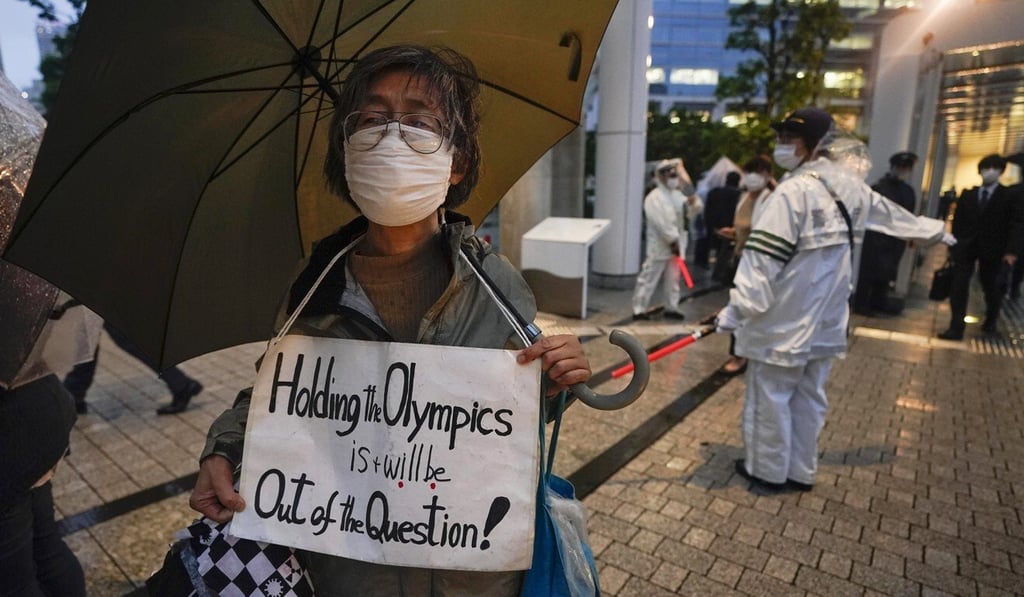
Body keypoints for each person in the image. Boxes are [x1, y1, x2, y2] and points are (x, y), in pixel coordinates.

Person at [188, 45, 592, 596]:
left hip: (472, 579)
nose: (392, 137)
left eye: (421, 122)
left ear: (458, 163)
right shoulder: (314, 286)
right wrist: (225, 447)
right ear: (346, 152)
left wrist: (554, 382)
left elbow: (507, 422)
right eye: (372, 120)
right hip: (350, 572)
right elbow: (277, 396)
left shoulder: (496, 284)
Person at [715, 107, 952, 492]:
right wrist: (936, 231)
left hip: (782, 323)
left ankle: (767, 470)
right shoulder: (853, 189)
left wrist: (736, 310)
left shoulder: (792, 193)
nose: (781, 146)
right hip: (826, 323)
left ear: (813, 144)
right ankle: (801, 471)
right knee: (810, 399)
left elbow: (761, 264)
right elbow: (896, 218)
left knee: (771, 398)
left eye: (788, 138)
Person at [938, 154, 1024, 339]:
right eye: (986, 167)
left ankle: (991, 321)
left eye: (994, 168)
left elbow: (1016, 224)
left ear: (1001, 172)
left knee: (991, 287)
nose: (989, 172)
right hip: (966, 248)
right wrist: (953, 244)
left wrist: (1011, 251)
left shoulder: (1008, 196)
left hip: (994, 250)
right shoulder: (968, 195)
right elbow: (958, 222)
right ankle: (956, 326)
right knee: (959, 286)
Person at [63, 322, 203, 415]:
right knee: (88, 340)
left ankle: (181, 384)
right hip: (96, 288)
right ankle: (74, 393)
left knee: (123, 339)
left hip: (97, 288)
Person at [716, 155, 774, 376]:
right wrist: (733, 232)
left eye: (758, 172)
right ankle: (740, 352)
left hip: (760, 264)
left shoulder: (771, 199)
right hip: (741, 259)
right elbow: (742, 226)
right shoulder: (744, 198)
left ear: (768, 175)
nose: (752, 177)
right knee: (740, 308)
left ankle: (743, 354)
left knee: (748, 309)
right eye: (749, 171)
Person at [853, 151, 919, 315]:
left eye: (906, 168)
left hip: (896, 239)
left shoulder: (908, 191)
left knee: (887, 272)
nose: (903, 171)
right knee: (869, 271)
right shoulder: (879, 188)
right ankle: (862, 303)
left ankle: (878, 301)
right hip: (876, 238)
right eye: (901, 167)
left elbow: (909, 215)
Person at [631, 158, 697, 320]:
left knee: (673, 279)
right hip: (660, 246)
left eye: (674, 173)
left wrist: (684, 177)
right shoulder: (655, 197)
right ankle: (639, 308)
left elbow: (693, 207)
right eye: (668, 173)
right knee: (649, 277)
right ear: (659, 176)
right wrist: (672, 240)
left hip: (677, 245)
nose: (672, 176)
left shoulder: (677, 195)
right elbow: (661, 223)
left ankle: (671, 306)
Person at [704, 171, 742, 285]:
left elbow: (707, 210)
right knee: (727, 252)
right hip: (730, 228)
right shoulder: (738, 194)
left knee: (720, 251)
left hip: (715, 226)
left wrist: (710, 225)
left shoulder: (714, 192)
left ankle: (717, 274)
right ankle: (725, 275)